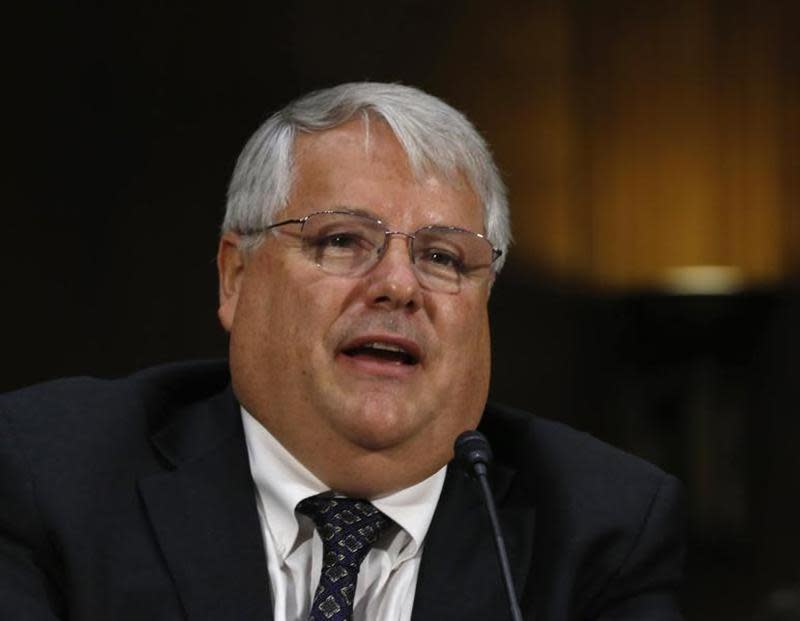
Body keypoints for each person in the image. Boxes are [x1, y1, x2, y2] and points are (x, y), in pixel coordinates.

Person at [0, 82, 686, 620]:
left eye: (443, 255)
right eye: (341, 240)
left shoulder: (602, 529)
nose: (397, 285)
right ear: (235, 277)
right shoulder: (51, 478)